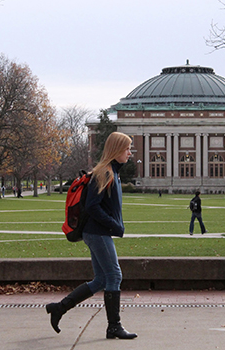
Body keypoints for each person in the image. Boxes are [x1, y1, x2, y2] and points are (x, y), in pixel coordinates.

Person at [46, 132, 137, 340]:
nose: (129, 153)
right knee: (115, 276)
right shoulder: (104, 172)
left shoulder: (112, 171)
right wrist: (114, 225)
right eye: (126, 149)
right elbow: (92, 207)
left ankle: (59, 308)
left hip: (98, 232)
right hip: (97, 233)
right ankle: (114, 326)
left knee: (101, 280)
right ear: (116, 150)